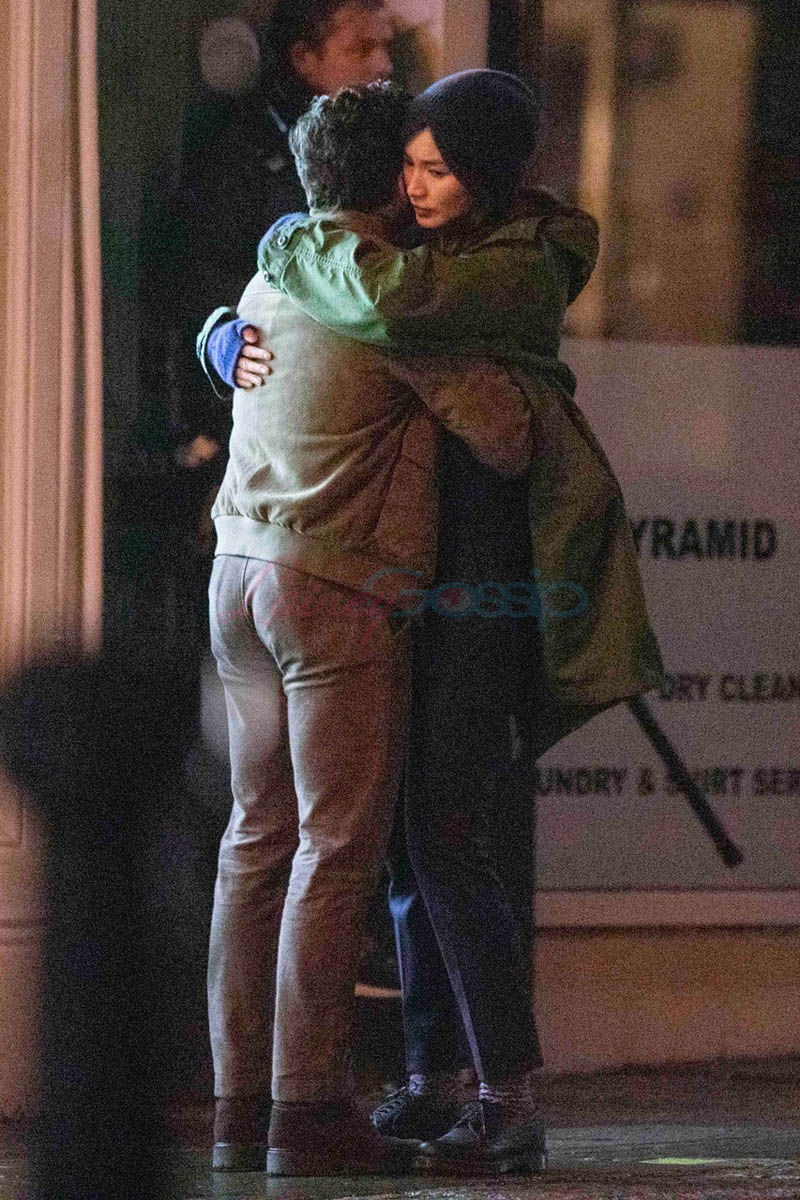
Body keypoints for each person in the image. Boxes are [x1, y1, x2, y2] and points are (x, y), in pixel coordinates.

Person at [203, 69, 664, 1176]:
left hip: (472, 580)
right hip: (369, 583)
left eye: (440, 169)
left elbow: (437, 355)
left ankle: (484, 1091)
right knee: (368, 844)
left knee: (416, 835)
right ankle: (394, 1086)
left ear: (488, 178)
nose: (417, 186)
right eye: (408, 166)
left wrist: (281, 250)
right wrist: (226, 330)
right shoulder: (376, 267)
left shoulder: (497, 268)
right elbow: (415, 349)